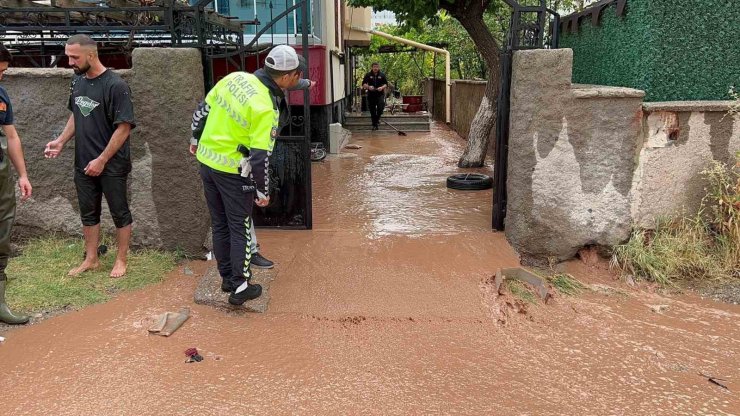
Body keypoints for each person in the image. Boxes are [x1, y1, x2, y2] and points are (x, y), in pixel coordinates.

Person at [189, 45, 304, 305]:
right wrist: (263, 192)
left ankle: (227, 278)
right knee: (239, 226)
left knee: (219, 224)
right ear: (285, 77)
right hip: (232, 171)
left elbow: (202, 110)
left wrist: (194, 137)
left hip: (207, 162)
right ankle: (240, 287)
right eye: (297, 75)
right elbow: (260, 155)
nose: (298, 78)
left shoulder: (235, 78)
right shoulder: (265, 107)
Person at [44, 34, 136, 279]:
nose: (70, 61)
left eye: (74, 57)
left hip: (111, 164)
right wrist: (61, 141)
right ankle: (91, 259)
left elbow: (124, 127)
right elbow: (77, 113)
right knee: (88, 212)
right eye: (68, 56)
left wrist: (102, 159)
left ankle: (121, 259)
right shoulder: (78, 83)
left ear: (91, 54)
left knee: (120, 212)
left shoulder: (116, 86)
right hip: (83, 162)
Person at [0, 44, 34, 324]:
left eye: (3, 72)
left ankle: (0, 305)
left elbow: (11, 136)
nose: (1, 77)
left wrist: (22, 175)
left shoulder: (1, 95)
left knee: (2, 236)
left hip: (1, 180)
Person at [361, 62, 387, 131]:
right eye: (374, 67)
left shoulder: (382, 75)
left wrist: (381, 87)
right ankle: (374, 125)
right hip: (371, 95)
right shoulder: (368, 75)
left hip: (380, 94)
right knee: (372, 111)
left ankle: (377, 119)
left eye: (377, 67)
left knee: (380, 107)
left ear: (379, 67)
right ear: (372, 67)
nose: (375, 68)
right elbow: (363, 84)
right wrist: (368, 87)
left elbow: (385, 84)